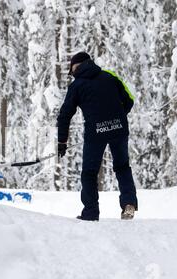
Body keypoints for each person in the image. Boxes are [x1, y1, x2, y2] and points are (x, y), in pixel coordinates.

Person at [56, 52, 138, 221]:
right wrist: (116, 117)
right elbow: (129, 100)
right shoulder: (109, 76)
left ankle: (91, 213)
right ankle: (128, 203)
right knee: (122, 167)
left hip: (96, 131)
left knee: (89, 172)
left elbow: (64, 115)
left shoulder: (77, 85)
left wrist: (62, 141)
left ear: (75, 66)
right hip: (119, 127)